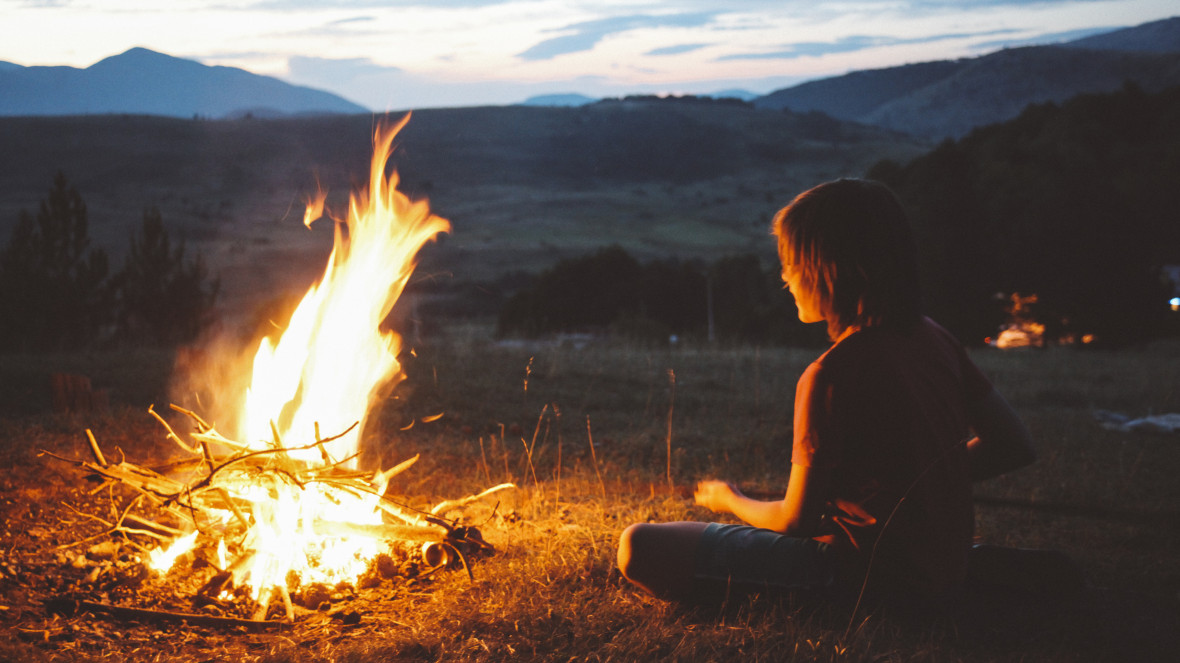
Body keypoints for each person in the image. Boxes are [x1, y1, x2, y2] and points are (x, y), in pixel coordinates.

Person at [617, 178, 1036, 608]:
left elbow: (795, 519)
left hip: (858, 575)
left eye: (792, 264)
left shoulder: (830, 374)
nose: (785, 279)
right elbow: (1014, 444)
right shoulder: (934, 338)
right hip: (941, 567)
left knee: (640, 545)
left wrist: (731, 500)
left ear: (831, 269)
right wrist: (918, 484)